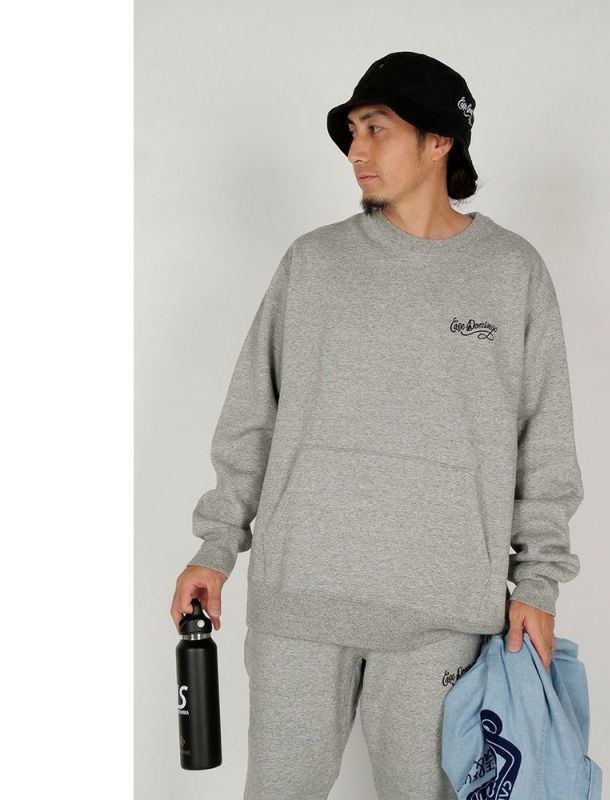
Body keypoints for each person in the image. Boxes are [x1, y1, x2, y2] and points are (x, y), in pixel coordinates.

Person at [169, 51, 585, 800]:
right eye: (353, 132)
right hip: (300, 603)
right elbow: (251, 417)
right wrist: (215, 547)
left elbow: (545, 444)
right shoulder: (314, 262)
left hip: (443, 615)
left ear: (440, 140)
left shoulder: (512, 272)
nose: (356, 150)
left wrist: (538, 584)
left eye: (377, 129)